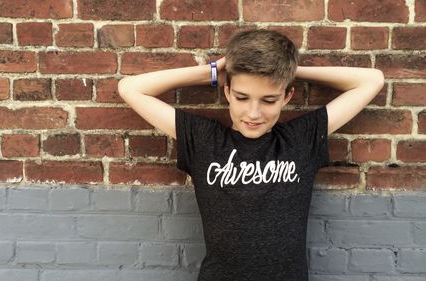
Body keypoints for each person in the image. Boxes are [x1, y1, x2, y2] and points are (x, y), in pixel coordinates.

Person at [118, 29, 384, 281]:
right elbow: (131, 88)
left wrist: (290, 71)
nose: (253, 113)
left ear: (287, 96)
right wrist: (214, 71)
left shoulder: (301, 140)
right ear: (227, 92)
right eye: (242, 97)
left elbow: (372, 80)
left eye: (268, 100)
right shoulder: (203, 140)